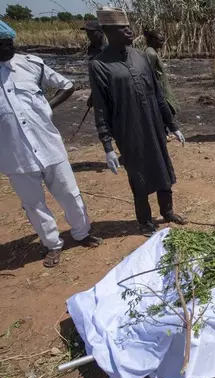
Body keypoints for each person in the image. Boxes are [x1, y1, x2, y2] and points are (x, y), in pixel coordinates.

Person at [0, 20, 103, 267]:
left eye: (9, 42)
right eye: (1, 45)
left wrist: (48, 106)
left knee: (70, 193)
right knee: (34, 205)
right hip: (16, 155)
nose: (7, 48)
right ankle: (53, 245)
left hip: (49, 146)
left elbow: (66, 85)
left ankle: (82, 233)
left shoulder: (31, 64)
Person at [89, 7, 187, 237]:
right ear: (108, 32)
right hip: (128, 130)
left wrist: (172, 125)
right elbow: (101, 109)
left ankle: (168, 211)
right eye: (121, 28)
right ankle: (144, 221)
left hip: (154, 125)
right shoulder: (100, 66)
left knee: (163, 168)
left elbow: (158, 94)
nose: (128, 31)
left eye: (128, 26)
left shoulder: (141, 56)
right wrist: (107, 146)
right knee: (139, 175)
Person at [144, 29, 180, 140]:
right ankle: (161, 134)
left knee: (168, 109)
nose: (162, 43)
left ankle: (163, 133)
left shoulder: (152, 52)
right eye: (160, 40)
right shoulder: (150, 54)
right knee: (168, 109)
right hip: (160, 88)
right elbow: (147, 73)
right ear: (153, 40)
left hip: (162, 86)